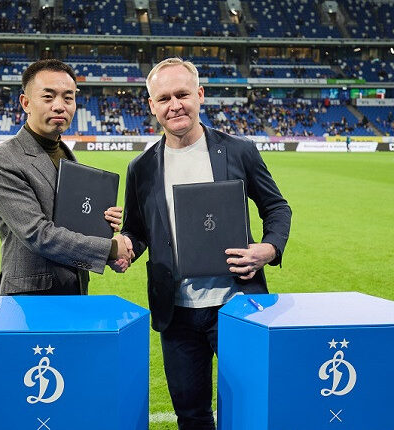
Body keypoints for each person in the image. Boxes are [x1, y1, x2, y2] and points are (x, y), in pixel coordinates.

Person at [119, 58, 292, 430]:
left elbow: (276, 207)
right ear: (151, 105)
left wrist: (268, 249)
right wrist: (125, 246)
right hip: (176, 313)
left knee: (248, 410)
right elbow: (136, 230)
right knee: (191, 416)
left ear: (199, 94)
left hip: (237, 306)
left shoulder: (239, 150)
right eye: (164, 98)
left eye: (182, 94)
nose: (174, 105)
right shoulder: (141, 167)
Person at [0, 59, 134, 296]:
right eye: (48, 97)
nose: (59, 106)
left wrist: (101, 223)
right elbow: (38, 235)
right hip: (30, 297)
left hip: (74, 290)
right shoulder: (3, 161)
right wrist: (109, 248)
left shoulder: (65, 154)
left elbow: (70, 222)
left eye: (68, 98)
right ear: (26, 103)